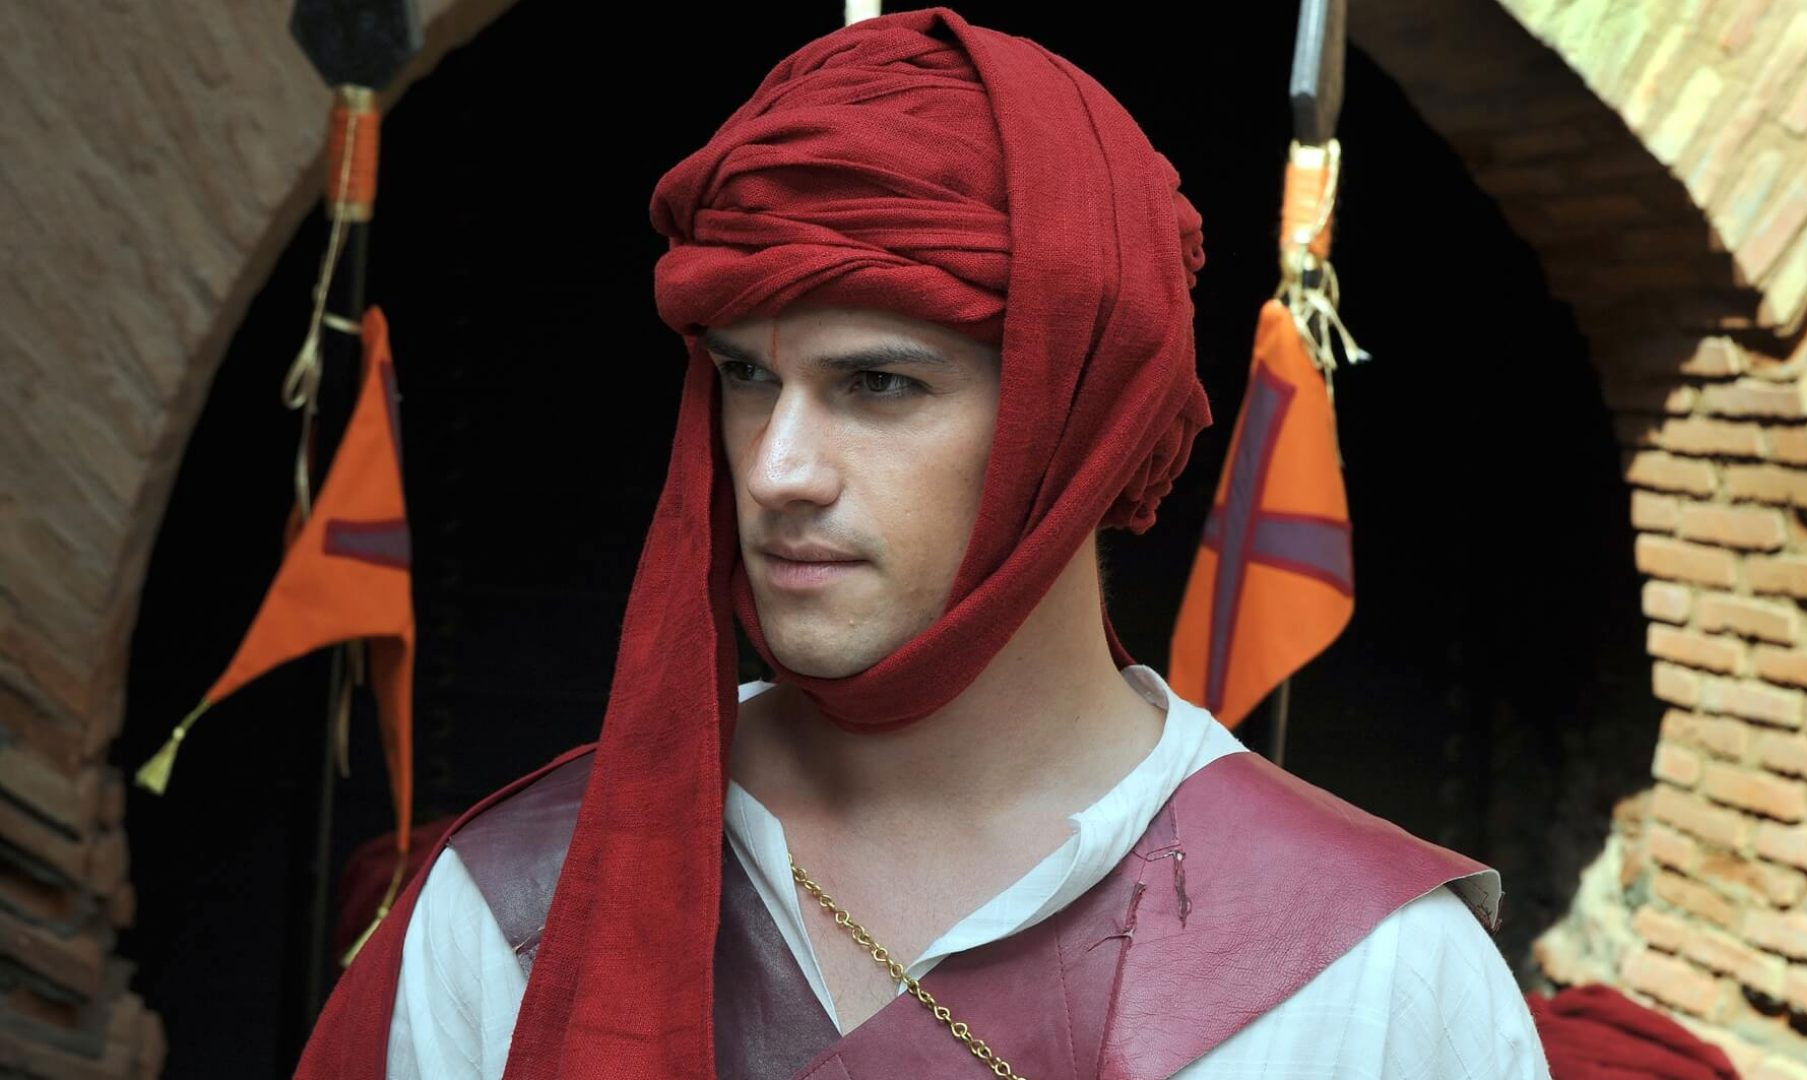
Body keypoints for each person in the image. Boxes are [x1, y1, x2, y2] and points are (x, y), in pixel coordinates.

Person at [297, 8, 1552, 1078]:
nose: (775, 471)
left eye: (880, 384)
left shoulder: (1383, 987)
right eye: (745, 377)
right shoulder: (508, 906)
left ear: (1074, 425)